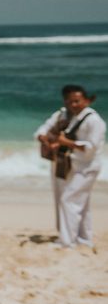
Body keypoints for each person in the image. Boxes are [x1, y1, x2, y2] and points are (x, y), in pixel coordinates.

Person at [52, 85, 105, 248]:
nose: (73, 104)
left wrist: (66, 143)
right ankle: (84, 238)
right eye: (70, 101)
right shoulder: (71, 116)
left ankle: (67, 242)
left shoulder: (94, 121)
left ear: (87, 100)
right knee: (81, 203)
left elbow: (91, 147)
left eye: (77, 101)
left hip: (88, 167)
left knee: (68, 200)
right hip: (76, 166)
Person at [34, 85, 75, 231]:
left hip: (75, 162)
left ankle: (73, 233)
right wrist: (47, 141)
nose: (72, 104)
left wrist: (61, 142)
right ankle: (63, 231)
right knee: (60, 197)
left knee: (71, 199)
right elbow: (41, 130)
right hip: (59, 161)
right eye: (69, 100)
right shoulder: (60, 115)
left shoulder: (84, 117)